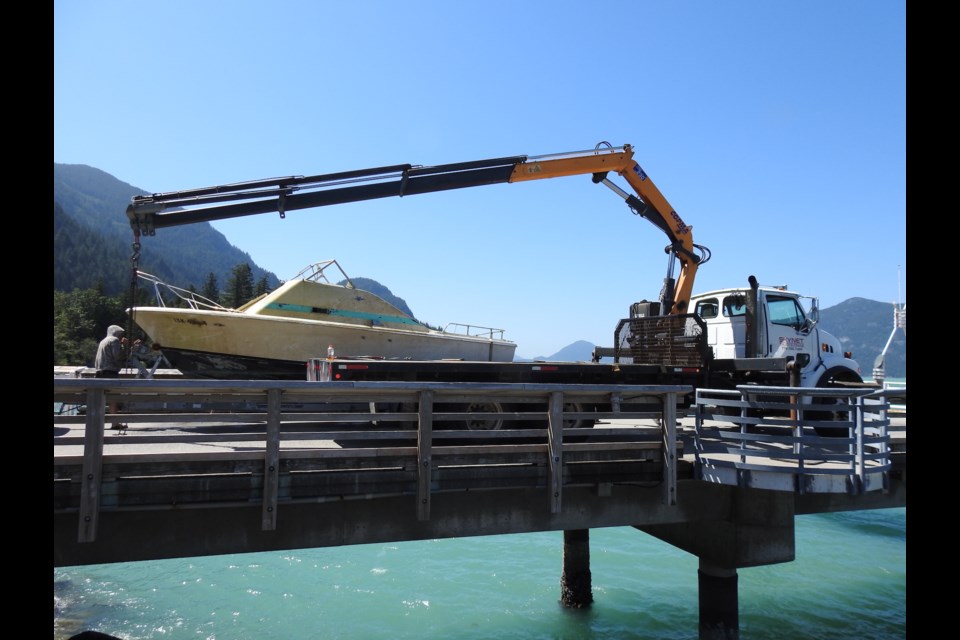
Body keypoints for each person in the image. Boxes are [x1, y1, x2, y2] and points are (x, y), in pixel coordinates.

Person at [95, 325, 128, 430]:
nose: (120, 337)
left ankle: (96, 422)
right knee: (114, 398)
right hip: (110, 373)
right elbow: (118, 356)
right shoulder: (114, 340)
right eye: (120, 334)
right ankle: (114, 423)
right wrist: (126, 346)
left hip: (100, 372)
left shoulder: (104, 341)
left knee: (101, 399)